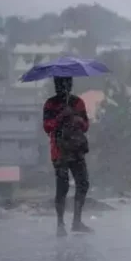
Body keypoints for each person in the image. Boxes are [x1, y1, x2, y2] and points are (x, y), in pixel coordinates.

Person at [43, 77, 93, 237]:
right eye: (59, 84)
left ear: (70, 85)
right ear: (55, 85)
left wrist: (77, 119)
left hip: (76, 149)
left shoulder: (77, 102)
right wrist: (60, 117)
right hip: (59, 152)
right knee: (62, 187)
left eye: (66, 84)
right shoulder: (50, 104)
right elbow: (47, 127)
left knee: (83, 183)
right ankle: (60, 224)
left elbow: (85, 126)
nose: (62, 87)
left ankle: (76, 221)